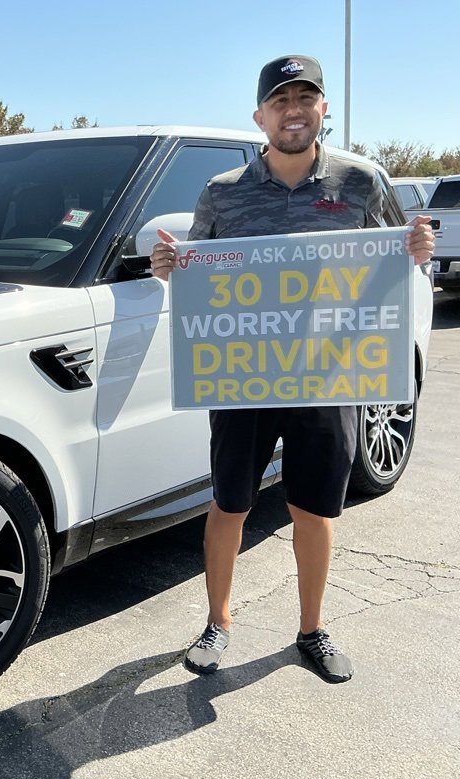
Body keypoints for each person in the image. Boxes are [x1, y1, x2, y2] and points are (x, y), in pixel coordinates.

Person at [150, 54, 436, 683]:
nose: (294, 110)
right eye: (281, 100)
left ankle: (311, 630)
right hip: (244, 378)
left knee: (315, 510)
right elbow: (197, 270)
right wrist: (170, 267)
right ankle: (217, 622)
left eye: (306, 97)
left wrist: (417, 249)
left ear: (323, 109)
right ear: (260, 116)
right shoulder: (222, 192)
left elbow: (393, 260)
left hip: (330, 376)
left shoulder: (360, 183)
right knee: (230, 504)